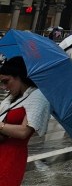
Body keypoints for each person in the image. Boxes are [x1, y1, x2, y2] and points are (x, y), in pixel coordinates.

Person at [0, 56, 53, 186]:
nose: (4, 87)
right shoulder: (13, 97)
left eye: (6, 81)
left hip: (12, 155)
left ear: (19, 77)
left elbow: (24, 131)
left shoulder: (38, 97)